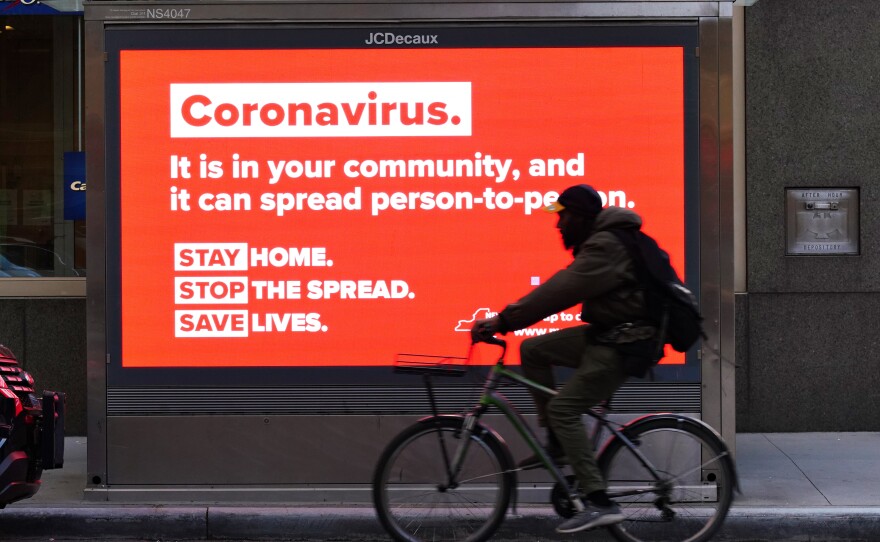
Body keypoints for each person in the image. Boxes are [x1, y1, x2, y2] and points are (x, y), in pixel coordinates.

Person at [471, 184, 657, 534]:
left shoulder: (607, 245)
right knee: (533, 350)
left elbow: (560, 290)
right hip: (611, 331)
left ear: (581, 217)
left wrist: (503, 320)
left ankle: (599, 502)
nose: (558, 225)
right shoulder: (605, 240)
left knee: (563, 409)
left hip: (627, 341)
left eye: (563, 216)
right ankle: (558, 444)